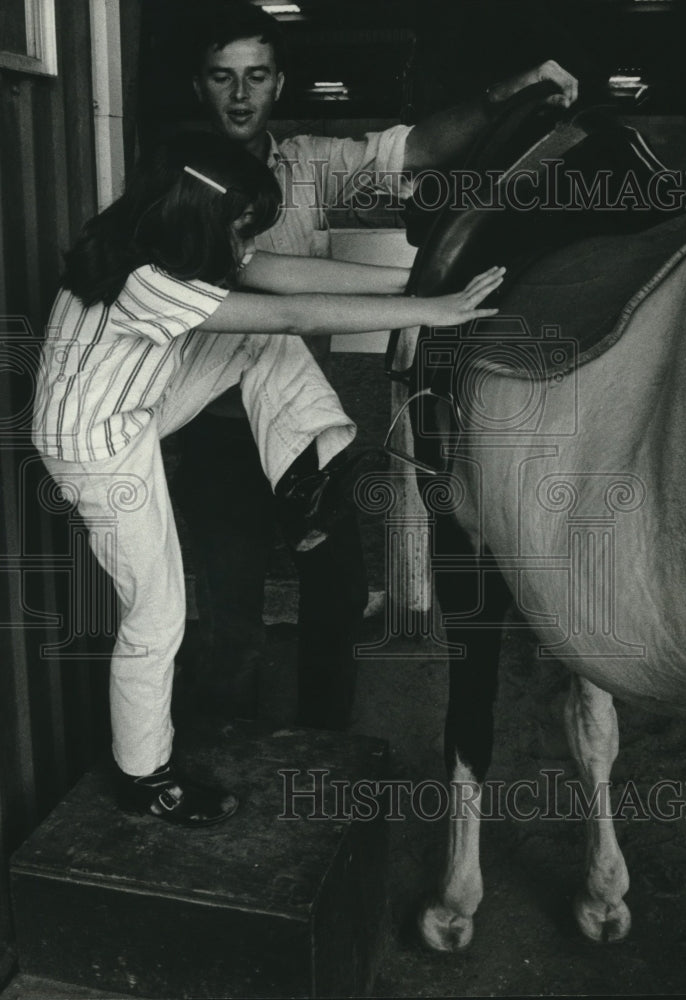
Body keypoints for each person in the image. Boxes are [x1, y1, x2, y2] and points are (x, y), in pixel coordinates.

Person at [31, 129, 504, 827]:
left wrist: (423, 279)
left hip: (130, 401)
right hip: (97, 448)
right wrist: (432, 312)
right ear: (203, 217)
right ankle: (145, 775)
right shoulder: (144, 281)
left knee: (259, 338)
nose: (245, 246)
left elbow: (275, 275)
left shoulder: (154, 233)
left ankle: (308, 470)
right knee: (154, 616)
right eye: (240, 229)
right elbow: (290, 307)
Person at [174, 3, 579, 730]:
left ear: (277, 83)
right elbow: (270, 297)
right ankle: (219, 769)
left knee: (335, 598)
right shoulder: (171, 184)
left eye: (255, 76)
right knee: (230, 617)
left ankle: (323, 753)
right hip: (213, 432)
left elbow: (417, 149)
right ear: (199, 86)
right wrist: (412, 301)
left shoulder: (306, 163)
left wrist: (514, 91)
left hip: (302, 433)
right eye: (221, 77)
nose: (239, 94)